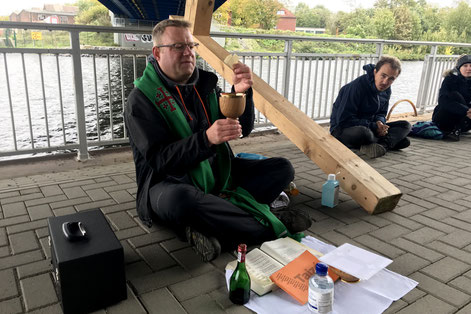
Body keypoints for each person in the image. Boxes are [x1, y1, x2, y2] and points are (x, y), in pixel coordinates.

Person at [124, 19, 310, 262]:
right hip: (168, 183)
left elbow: (242, 128)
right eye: (179, 46)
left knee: (282, 169)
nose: (188, 52)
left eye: (191, 46)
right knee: (183, 201)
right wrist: (206, 139)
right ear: (157, 53)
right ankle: (265, 225)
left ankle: (209, 227)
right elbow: (161, 160)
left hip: (218, 175)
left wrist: (240, 92)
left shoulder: (206, 86)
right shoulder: (141, 100)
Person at [329, 55, 411, 158]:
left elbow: (381, 113)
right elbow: (344, 120)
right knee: (365, 134)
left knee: (405, 125)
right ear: (375, 72)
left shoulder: (386, 90)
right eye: (383, 76)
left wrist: (380, 123)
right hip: (343, 130)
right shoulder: (356, 87)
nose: (385, 82)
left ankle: (381, 146)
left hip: (370, 126)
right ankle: (386, 143)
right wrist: (374, 126)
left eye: (391, 79)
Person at [432, 54, 471, 141]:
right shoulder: (450, 79)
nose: (469, 68)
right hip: (444, 118)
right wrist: (466, 110)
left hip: (466, 121)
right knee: (455, 95)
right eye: (465, 66)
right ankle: (454, 130)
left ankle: (458, 129)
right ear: (459, 67)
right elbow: (442, 101)